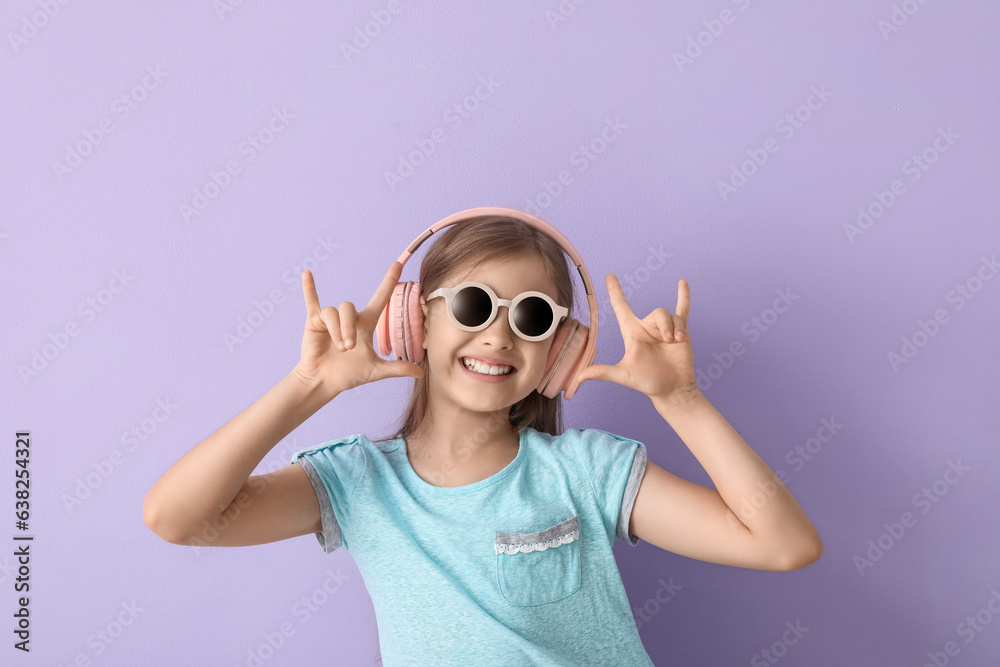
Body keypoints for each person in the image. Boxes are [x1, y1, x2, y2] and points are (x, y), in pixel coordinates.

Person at [143, 209, 823, 666]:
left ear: (560, 349)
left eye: (531, 317)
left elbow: (784, 544)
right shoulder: (358, 483)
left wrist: (682, 399)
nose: (498, 334)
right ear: (419, 322)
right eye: (472, 305)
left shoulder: (586, 471)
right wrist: (309, 387)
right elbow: (176, 517)